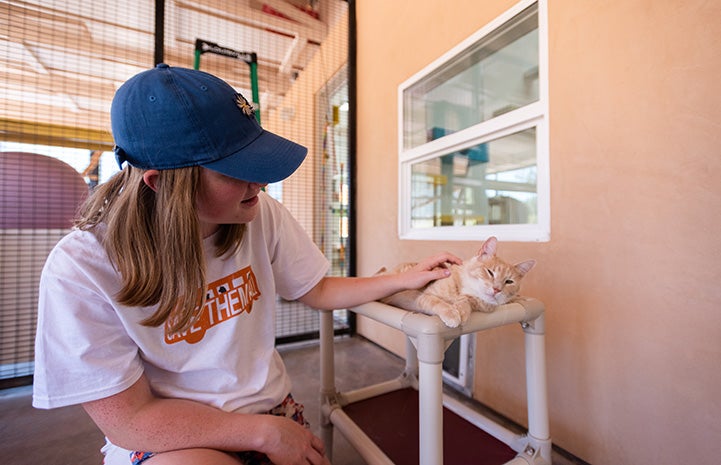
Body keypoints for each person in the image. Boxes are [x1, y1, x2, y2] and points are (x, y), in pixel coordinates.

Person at [32, 64, 461, 465]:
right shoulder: (82, 267)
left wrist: (407, 278)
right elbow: (129, 419)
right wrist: (262, 435)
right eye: (235, 170)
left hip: (269, 407)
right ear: (162, 183)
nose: (262, 181)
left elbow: (319, 289)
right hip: (173, 432)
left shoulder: (257, 213)